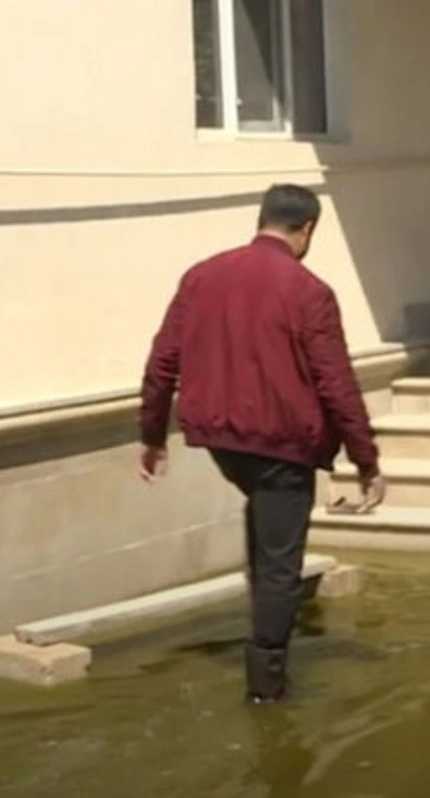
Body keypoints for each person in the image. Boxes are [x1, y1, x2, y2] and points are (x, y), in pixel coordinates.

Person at [138, 184, 384, 704]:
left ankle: (263, 649)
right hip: (283, 444)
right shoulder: (309, 291)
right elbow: (336, 383)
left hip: (221, 439)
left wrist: (153, 437)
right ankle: (267, 691)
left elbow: (162, 362)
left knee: (265, 532)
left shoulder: (201, 275)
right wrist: (367, 462)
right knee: (280, 566)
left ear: (262, 219)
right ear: (308, 229)